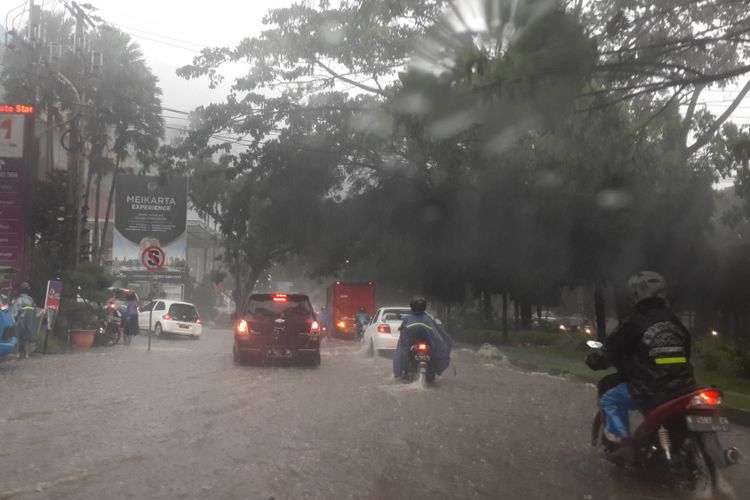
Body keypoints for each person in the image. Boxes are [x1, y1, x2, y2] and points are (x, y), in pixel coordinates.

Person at [593, 271, 695, 453]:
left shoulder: (634, 321)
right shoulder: (674, 320)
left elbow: (612, 349)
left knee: (610, 399)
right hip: (684, 386)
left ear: (636, 294)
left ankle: (621, 446)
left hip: (650, 387)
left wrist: (596, 359)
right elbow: (687, 350)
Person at [393, 296, 453, 379]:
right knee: (436, 350)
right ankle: (434, 370)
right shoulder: (428, 319)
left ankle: (399, 372)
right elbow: (439, 334)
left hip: (415, 344)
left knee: (401, 350)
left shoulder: (408, 319)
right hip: (424, 345)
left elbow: (404, 337)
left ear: (412, 306)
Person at [9, 282, 39, 359]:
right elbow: (35, 311)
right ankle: (27, 354)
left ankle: (17, 353)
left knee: (18, 336)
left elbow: (14, 312)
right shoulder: (31, 300)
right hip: (31, 321)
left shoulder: (19, 300)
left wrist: (12, 320)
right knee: (28, 337)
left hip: (21, 321)